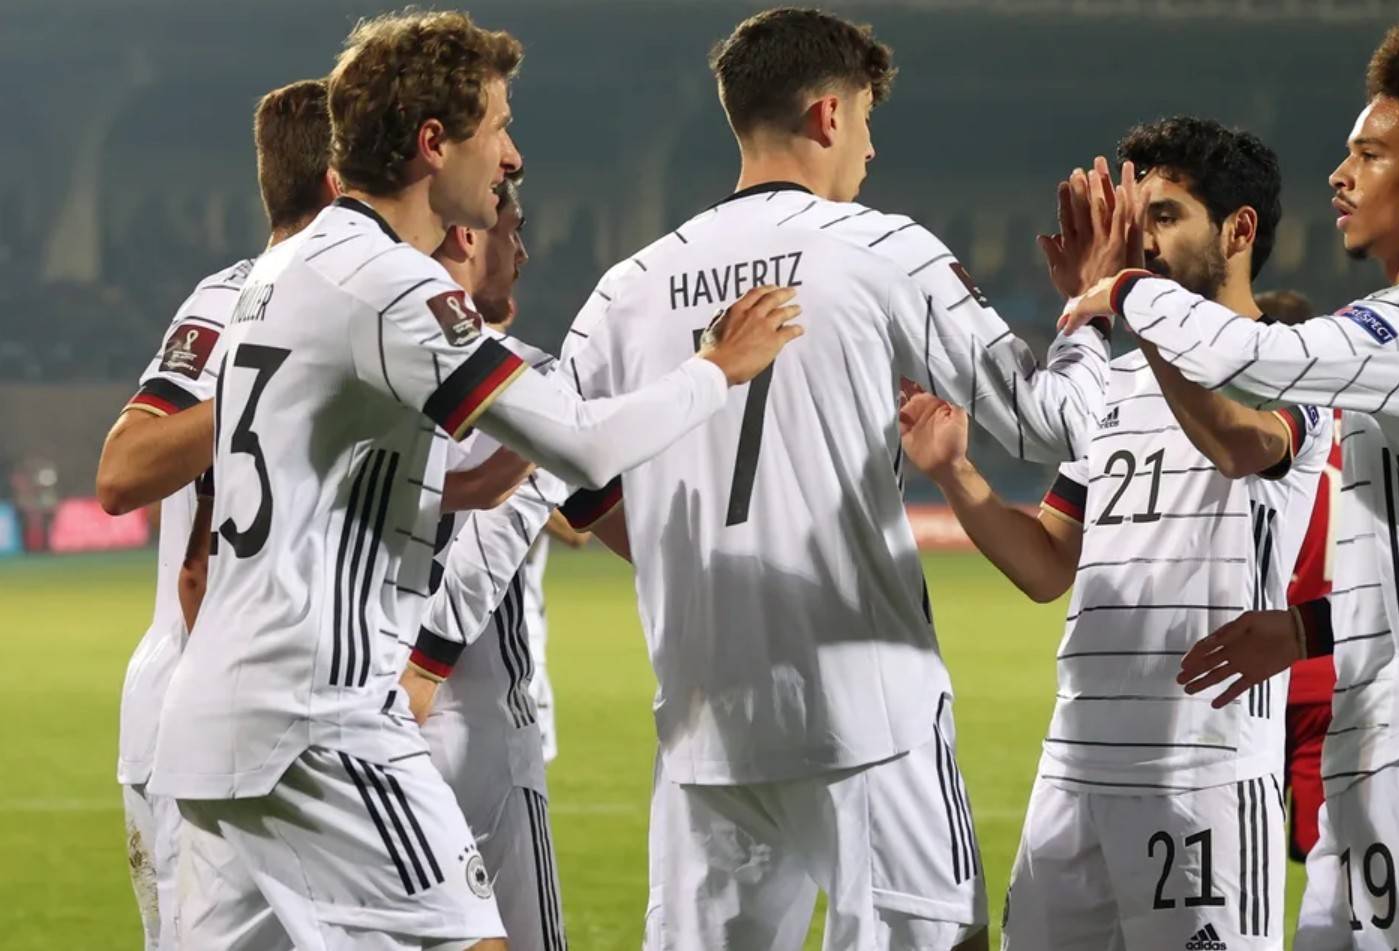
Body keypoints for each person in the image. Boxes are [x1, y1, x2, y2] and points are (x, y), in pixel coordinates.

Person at [411, 8, 1123, 948]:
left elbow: (535, 481)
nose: (869, 148)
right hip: (874, 726)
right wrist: (1090, 306)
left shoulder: (626, 289)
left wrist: (427, 658)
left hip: (706, 734)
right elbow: (1057, 420)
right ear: (828, 115)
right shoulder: (881, 248)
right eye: (865, 120)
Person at [148, 12, 801, 950]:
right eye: (497, 127)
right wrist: (716, 369)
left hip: (216, 717)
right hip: (319, 717)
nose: (512, 155)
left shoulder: (282, 270)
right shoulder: (388, 284)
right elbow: (580, 444)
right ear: (432, 144)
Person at [1067, 24, 1399, 950]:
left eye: (1370, 155)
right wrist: (1303, 631)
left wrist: (1127, 284)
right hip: (1395, 740)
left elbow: (1251, 354)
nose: (1340, 174)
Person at [901, 118, 1328, 950]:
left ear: (1239, 230)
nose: (1143, 242)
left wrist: (1135, 306)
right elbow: (1047, 564)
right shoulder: (1112, 384)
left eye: (1165, 216)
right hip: (1074, 765)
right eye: (1136, 222)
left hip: (1201, 772)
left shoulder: (1292, 361)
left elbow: (1241, 446)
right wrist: (956, 473)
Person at [93, 78, 336, 951]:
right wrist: (263, 389)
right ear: (341, 180)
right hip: (202, 701)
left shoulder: (368, 301)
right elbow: (123, 470)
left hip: (305, 710)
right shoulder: (228, 299)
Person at [420, 175, 570, 951]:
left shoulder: (372, 352)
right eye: (513, 228)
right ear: (468, 233)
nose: (524, 250)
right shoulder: (528, 373)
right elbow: (488, 546)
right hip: (476, 716)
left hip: (363, 710)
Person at [1253, 288, 1343, 866]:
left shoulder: (1257, 441)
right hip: (1332, 669)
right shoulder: (1353, 437)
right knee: (1324, 858)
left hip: (1254, 666)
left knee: (1237, 848)